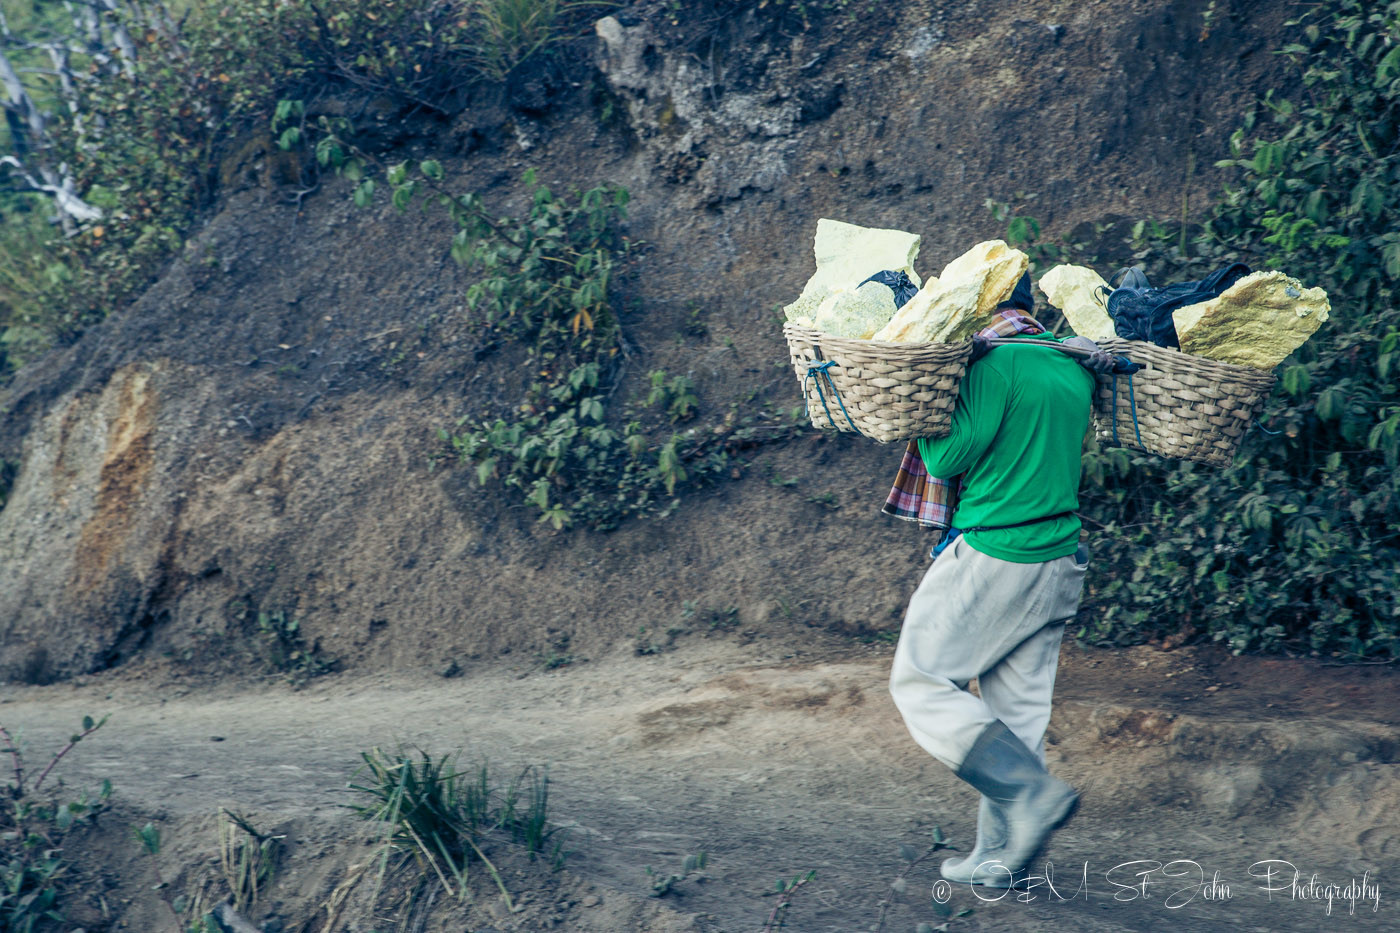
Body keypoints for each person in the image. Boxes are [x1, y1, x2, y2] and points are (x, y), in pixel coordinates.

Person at [885, 277, 1111, 889]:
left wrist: (923, 402)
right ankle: (999, 858)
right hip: (1059, 556)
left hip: (996, 554)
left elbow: (943, 460)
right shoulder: (1071, 365)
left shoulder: (995, 364)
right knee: (1018, 717)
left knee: (921, 681)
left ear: (979, 309)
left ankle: (1028, 792)